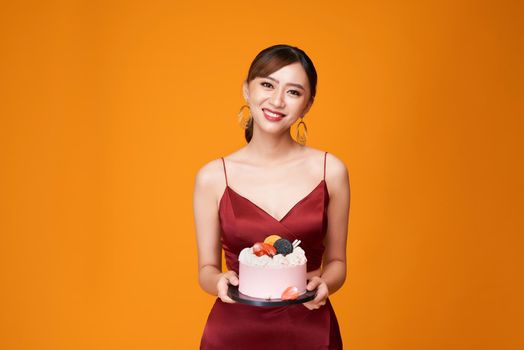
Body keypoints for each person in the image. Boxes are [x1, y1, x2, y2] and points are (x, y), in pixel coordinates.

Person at [193, 44, 350, 349]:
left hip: (310, 330)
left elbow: (338, 262)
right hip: (233, 333)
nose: (277, 101)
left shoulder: (331, 171)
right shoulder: (212, 177)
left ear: (307, 105)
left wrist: (325, 282)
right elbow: (205, 271)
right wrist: (219, 282)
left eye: (293, 92)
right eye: (267, 84)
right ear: (246, 91)